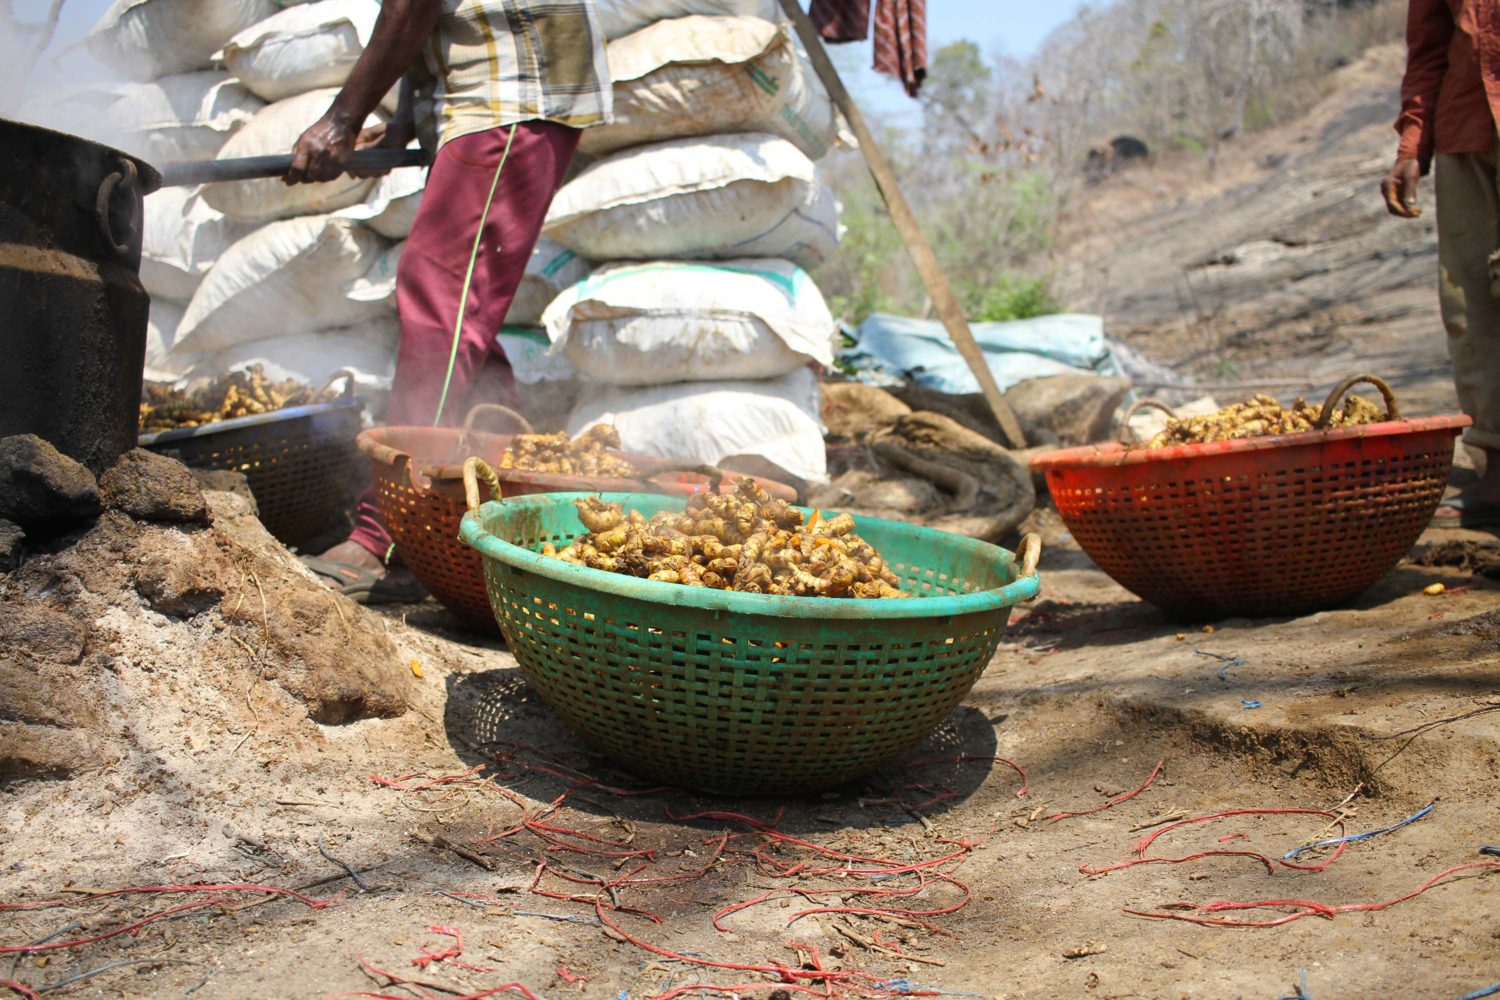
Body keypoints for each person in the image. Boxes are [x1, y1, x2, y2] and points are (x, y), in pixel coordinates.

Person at [284, 0, 611, 599]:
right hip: (482, 97)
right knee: (465, 322)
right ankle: (489, 518)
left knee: (441, 300)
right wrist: (407, 118)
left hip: (510, 92)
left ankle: (390, 531)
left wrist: (343, 117)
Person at [1384, 0, 1500, 528]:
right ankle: (1495, 465)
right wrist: (1413, 146)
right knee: (1468, 302)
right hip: (1465, 129)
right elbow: (1428, 50)